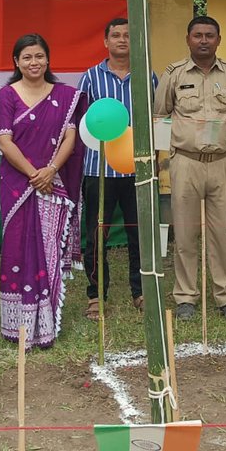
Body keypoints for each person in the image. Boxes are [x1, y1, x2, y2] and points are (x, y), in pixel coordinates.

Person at [156, 15, 226, 323]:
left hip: (222, 163)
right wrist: (163, 163)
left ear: (218, 40)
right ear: (188, 39)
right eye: (198, 35)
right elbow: (161, 117)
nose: (204, 40)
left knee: (222, 233)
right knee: (184, 233)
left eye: (210, 35)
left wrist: (218, 138)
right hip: (185, 162)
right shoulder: (173, 74)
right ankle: (185, 296)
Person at [0, 33, 84, 348]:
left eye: (39, 56)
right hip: (19, 184)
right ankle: (16, 324)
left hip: (53, 181)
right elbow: (4, 141)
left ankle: (44, 323)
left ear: (48, 59)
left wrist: (51, 170)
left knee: (46, 250)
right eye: (27, 57)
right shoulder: (6, 96)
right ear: (16, 62)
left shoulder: (65, 95)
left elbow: (70, 137)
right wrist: (34, 174)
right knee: (18, 247)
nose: (34, 62)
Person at [77, 18, 155, 320]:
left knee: (139, 234)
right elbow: (80, 121)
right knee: (97, 235)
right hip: (99, 170)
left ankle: (140, 291)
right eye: (116, 35)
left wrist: (155, 160)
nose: (123, 40)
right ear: (106, 42)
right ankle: (97, 295)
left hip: (137, 170)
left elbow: (153, 119)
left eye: (128, 35)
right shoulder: (90, 77)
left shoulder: (147, 77)